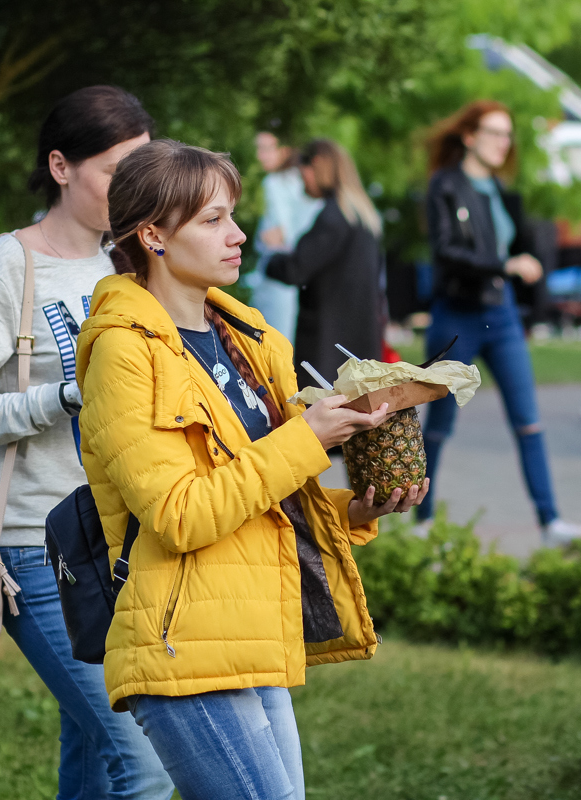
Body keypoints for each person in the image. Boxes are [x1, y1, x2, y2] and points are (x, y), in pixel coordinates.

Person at [77, 137, 423, 800]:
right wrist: (310, 436)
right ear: (151, 234)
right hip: (182, 643)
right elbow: (180, 515)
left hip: (249, 627)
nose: (238, 235)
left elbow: (268, 495)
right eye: (212, 220)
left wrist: (356, 511)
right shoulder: (124, 353)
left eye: (233, 214)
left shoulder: (246, 336)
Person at [0, 86, 173, 800]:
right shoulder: (7, 265)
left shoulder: (128, 263)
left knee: (95, 753)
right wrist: (65, 396)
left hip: (117, 541)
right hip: (32, 547)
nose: (132, 191)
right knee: (145, 763)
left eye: (142, 171)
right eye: (115, 172)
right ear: (61, 166)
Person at [416, 100, 581, 542]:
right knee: (439, 425)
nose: (503, 142)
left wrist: (523, 276)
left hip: (503, 315)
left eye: (508, 134)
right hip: (458, 315)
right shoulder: (446, 185)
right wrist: (505, 265)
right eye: (494, 133)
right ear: (470, 137)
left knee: (529, 421)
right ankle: (424, 523)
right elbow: (446, 251)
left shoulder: (501, 190)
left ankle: (550, 522)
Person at [266, 138, 385, 387]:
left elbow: (296, 269)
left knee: (322, 414)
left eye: (302, 174)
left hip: (328, 342)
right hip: (360, 336)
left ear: (315, 166)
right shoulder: (363, 216)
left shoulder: (333, 217)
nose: (302, 182)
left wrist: (272, 254)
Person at [242, 131, 323, 341]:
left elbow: (280, 230)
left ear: (285, 150)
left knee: (272, 338)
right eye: (258, 149)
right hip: (303, 268)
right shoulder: (301, 179)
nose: (261, 156)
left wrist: (270, 240)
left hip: (279, 270)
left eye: (267, 149)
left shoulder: (275, 182)